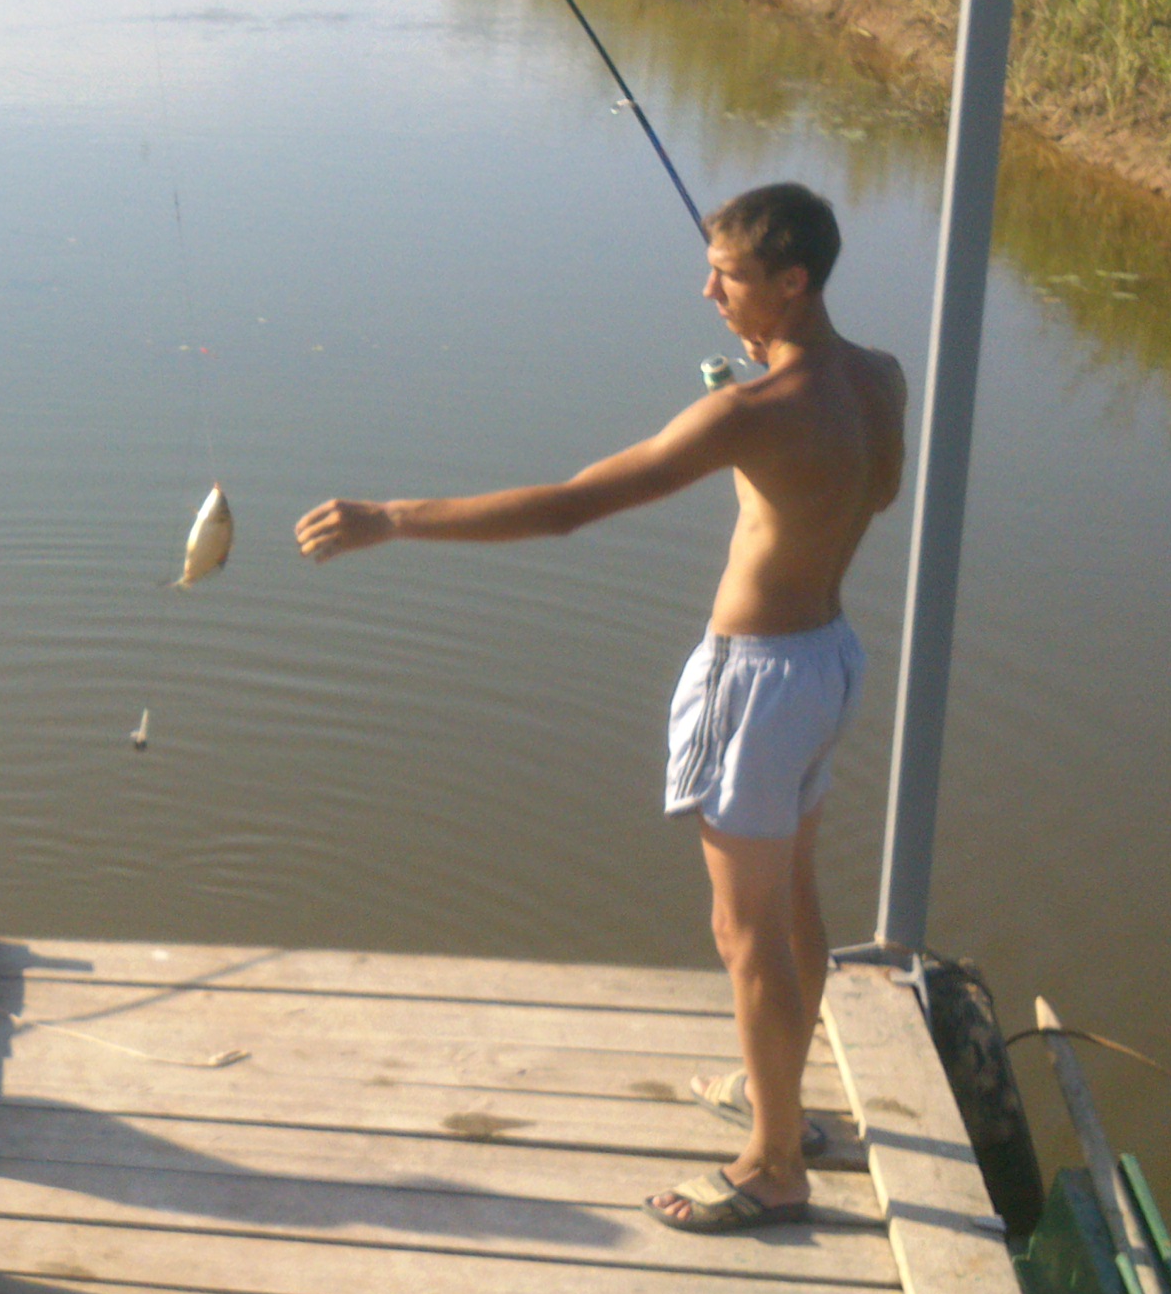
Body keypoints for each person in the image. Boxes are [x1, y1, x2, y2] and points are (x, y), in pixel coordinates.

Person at [294, 183, 903, 1235]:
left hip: (755, 680)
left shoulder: (745, 414)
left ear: (792, 282)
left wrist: (392, 518)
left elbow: (573, 507)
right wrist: (764, 424)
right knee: (797, 893)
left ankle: (771, 1165)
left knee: (743, 929)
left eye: (729, 274)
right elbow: (848, 480)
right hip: (829, 660)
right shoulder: (879, 380)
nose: (705, 287)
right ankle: (787, 1111)